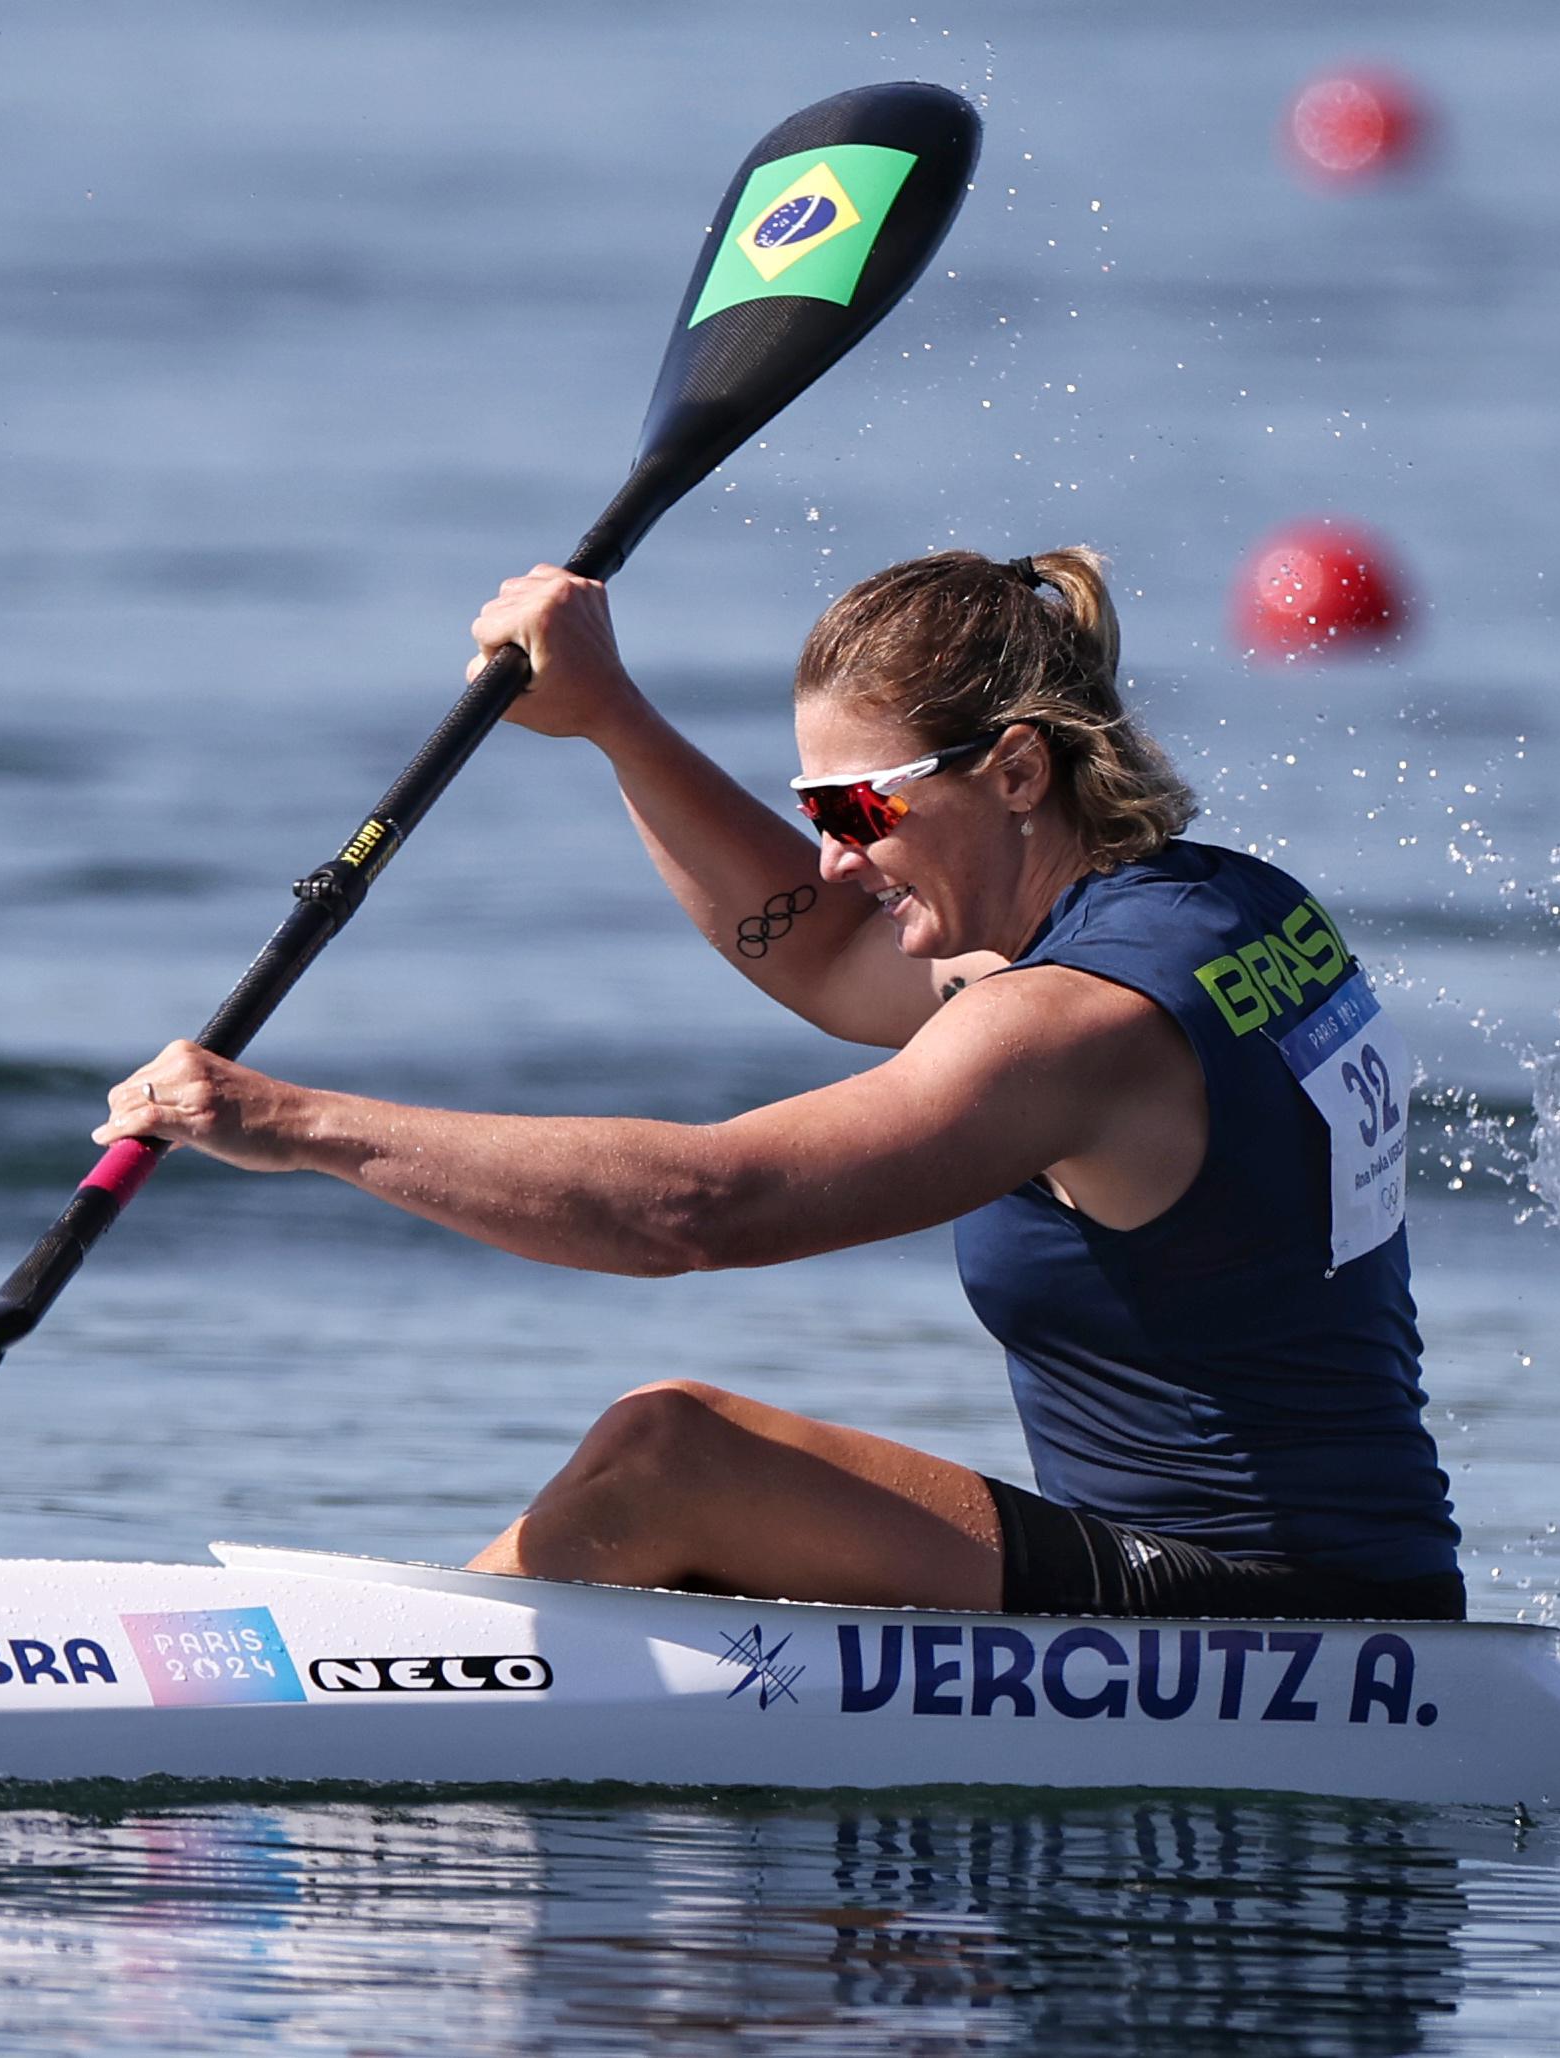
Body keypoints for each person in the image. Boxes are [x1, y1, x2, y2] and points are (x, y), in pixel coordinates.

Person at [95, 548, 1464, 1622]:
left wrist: (287, 1121)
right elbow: (825, 955)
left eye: (855, 810)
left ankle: (389, 1709)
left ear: (1015, 769)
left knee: (667, 1459)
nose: (831, 857)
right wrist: (611, 719)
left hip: (1269, 1626)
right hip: (1353, 1589)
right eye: (817, 813)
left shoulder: (1064, 1031)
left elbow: (694, 1210)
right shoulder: (1216, 908)